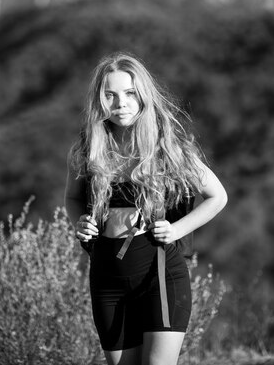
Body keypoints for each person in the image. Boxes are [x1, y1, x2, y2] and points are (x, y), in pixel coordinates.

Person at [64, 52, 227, 365]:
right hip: (106, 279)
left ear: (143, 96)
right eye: (109, 95)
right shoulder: (88, 146)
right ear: (99, 100)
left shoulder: (168, 145)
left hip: (160, 276)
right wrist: (79, 222)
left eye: (129, 93)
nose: (120, 103)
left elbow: (217, 196)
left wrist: (177, 229)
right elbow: (72, 198)